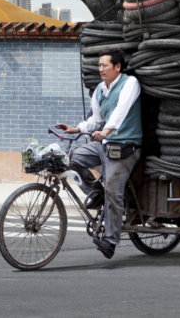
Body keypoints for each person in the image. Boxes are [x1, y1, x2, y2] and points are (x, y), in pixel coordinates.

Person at [56, 50, 142, 259]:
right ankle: (95, 192)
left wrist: (106, 130)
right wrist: (76, 129)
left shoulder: (130, 83)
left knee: (113, 189)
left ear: (118, 67)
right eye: (99, 65)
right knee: (71, 159)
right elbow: (96, 120)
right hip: (105, 145)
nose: (101, 69)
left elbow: (121, 112)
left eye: (105, 65)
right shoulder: (99, 90)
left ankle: (111, 241)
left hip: (126, 147)